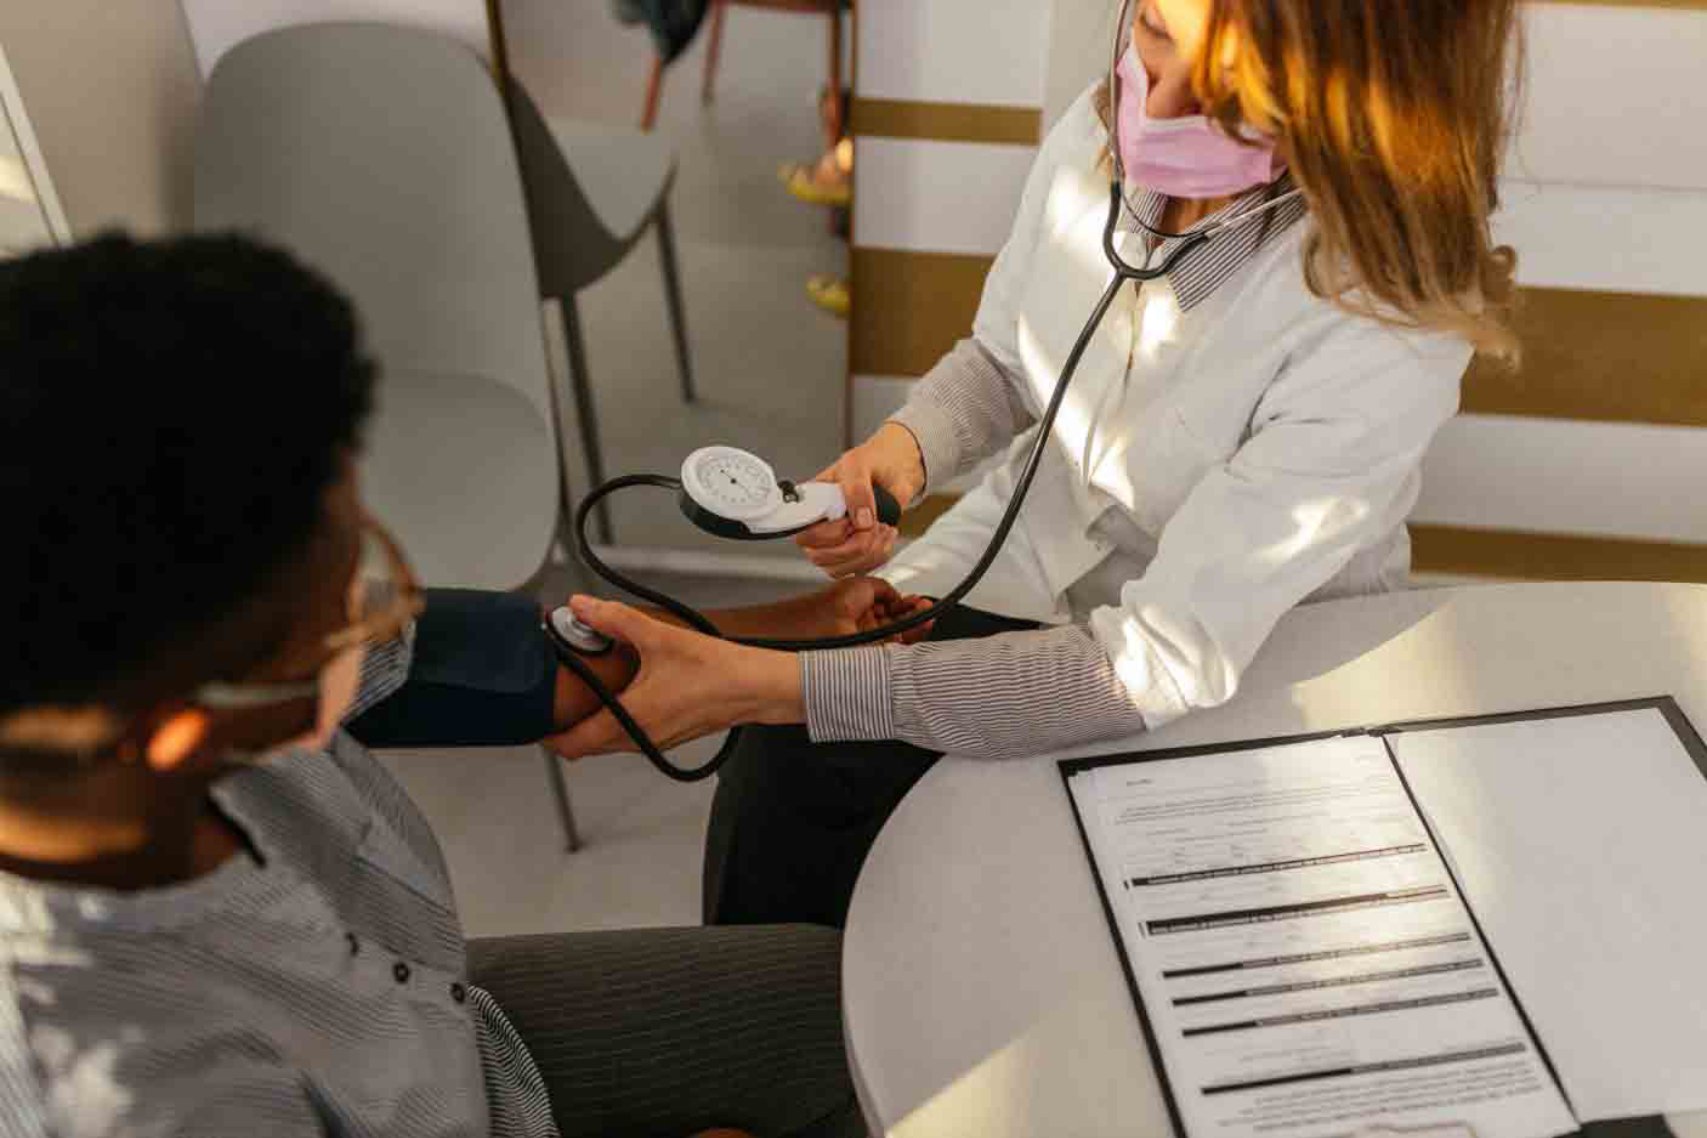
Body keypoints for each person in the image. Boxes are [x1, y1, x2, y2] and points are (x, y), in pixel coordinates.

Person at [550, 0, 1522, 930]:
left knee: (829, 736)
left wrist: (766, 681)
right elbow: (1012, 358)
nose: (1161, 100)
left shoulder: (1385, 319)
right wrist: (897, 457)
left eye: (1231, 96)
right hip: (1031, 559)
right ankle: (762, 1069)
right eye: (1152, 32)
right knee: (783, 761)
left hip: (1225, 663)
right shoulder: (1105, 132)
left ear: (1354, 107)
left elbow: (1155, 663)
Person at [0, 233, 903, 1137]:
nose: (382, 599)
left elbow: (550, 666)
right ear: (189, 733)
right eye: (347, 585)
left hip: (441, 1036)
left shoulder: (103, 691)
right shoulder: (151, 1093)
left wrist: (787, 636)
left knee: (845, 1006)